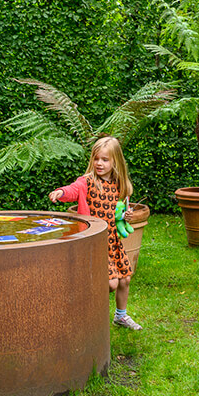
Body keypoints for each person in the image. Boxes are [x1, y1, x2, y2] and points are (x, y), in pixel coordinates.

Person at [49, 136, 142, 330]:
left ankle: (121, 316)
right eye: (96, 159)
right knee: (111, 284)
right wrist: (61, 192)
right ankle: (86, 313)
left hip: (113, 241)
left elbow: (118, 213)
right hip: (96, 242)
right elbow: (74, 189)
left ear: (115, 161)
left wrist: (127, 216)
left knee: (125, 278)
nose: (99, 163)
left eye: (105, 160)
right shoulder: (88, 181)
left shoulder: (119, 185)